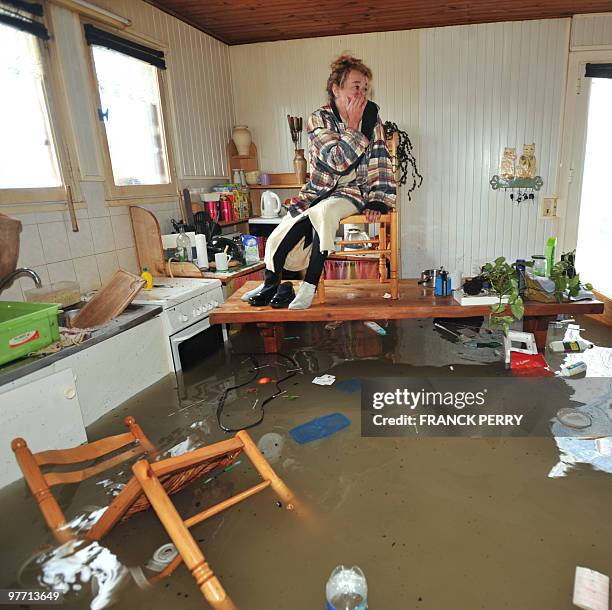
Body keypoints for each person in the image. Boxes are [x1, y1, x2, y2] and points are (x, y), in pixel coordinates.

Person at [243, 53, 397, 310]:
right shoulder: (319, 119)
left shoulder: (371, 116)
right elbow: (337, 161)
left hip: (353, 190)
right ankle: (271, 282)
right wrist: (352, 127)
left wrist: (378, 200)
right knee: (285, 228)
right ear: (336, 89)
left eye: (365, 88)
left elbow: (379, 158)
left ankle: (309, 286)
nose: (361, 93)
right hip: (320, 189)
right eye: (355, 87)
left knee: (323, 214)